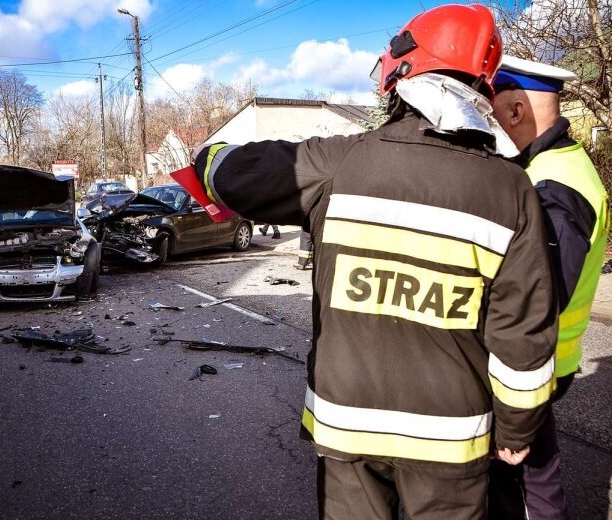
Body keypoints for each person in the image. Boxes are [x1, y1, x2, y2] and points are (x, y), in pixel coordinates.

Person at [179, 5, 558, 518]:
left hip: (347, 429)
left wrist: (208, 154)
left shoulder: (339, 164)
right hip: (451, 441)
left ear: (402, 73)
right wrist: (516, 428)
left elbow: (234, 172)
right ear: (481, 87)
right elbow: (524, 333)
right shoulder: (511, 189)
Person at [489, 56, 610, 520]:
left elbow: (539, 298)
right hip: (546, 360)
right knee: (536, 471)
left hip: (532, 364)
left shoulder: (555, 186)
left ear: (515, 111)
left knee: (520, 482)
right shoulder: (553, 165)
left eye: (492, 109)